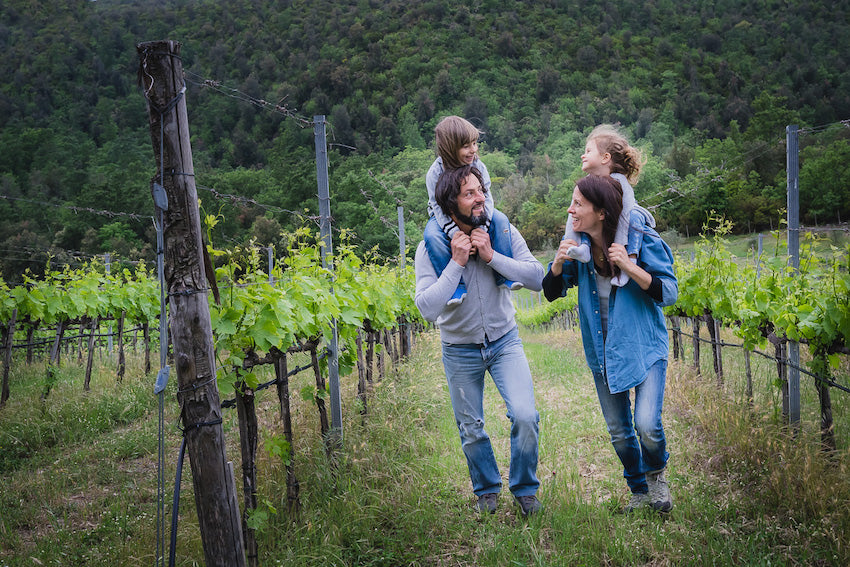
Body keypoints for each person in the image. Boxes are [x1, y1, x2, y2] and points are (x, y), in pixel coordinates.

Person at [414, 164, 544, 517]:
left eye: (480, 191)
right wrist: (455, 264)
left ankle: (524, 488)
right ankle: (487, 490)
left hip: (504, 341)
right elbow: (426, 307)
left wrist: (492, 257)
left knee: (525, 415)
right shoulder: (432, 246)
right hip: (459, 349)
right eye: (469, 194)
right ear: (450, 203)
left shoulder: (500, 230)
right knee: (471, 429)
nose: (480, 198)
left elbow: (536, 277)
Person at [543, 174, 678, 513]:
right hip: (603, 353)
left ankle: (656, 477)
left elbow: (669, 292)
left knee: (646, 424)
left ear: (601, 212)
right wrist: (558, 265)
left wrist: (629, 267)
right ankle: (639, 490)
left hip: (644, 347)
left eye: (578, 204)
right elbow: (551, 292)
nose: (570, 210)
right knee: (620, 432)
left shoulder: (640, 238)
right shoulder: (581, 251)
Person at [424, 115, 521, 306]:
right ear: (450, 149)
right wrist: (455, 233)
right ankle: (456, 287)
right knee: (432, 236)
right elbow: (438, 208)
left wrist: (482, 228)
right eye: (466, 146)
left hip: (480, 212)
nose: (473, 150)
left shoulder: (478, 165)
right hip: (443, 216)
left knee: (501, 221)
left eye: (475, 143)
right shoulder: (434, 174)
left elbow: (487, 198)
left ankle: (504, 274)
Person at [564, 124, 654, 287]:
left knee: (634, 219)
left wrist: (619, 245)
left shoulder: (618, 181)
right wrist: (570, 241)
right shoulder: (588, 185)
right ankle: (583, 248)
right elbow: (572, 216)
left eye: (588, 151)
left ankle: (631, 260)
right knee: (580, 221)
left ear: (605, 158)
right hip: (603, 223)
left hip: (627, 216)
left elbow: (625, 212)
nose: (583, 156)